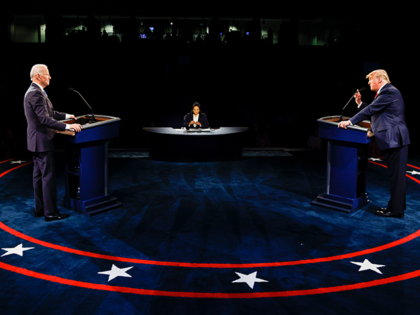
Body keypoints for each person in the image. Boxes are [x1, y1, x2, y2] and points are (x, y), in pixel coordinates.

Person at [338, 70, 410, 218]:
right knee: (396, 176)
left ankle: (395, 210)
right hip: (394, 139)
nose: (369, 83)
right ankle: (396, 207)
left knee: (397, 177)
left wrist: (350, 121)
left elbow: (372, 109)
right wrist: (359, 104)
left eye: (371, 80)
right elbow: (377, 111)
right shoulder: (387, 93)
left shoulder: (389, 92)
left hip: (395, 139)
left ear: (380, 79)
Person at [24, 64, 82, 222]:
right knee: (47, 177)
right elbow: (44, 119)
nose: (50, 77)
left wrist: (67, 115)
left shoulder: (35, 91)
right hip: (42, 141)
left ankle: (40, 209)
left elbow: (49, 113)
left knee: (38, 177)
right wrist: (68, 126)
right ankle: (51, 213)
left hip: (36, 141)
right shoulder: (35, 93)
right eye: (47, 74)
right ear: (38, 76)